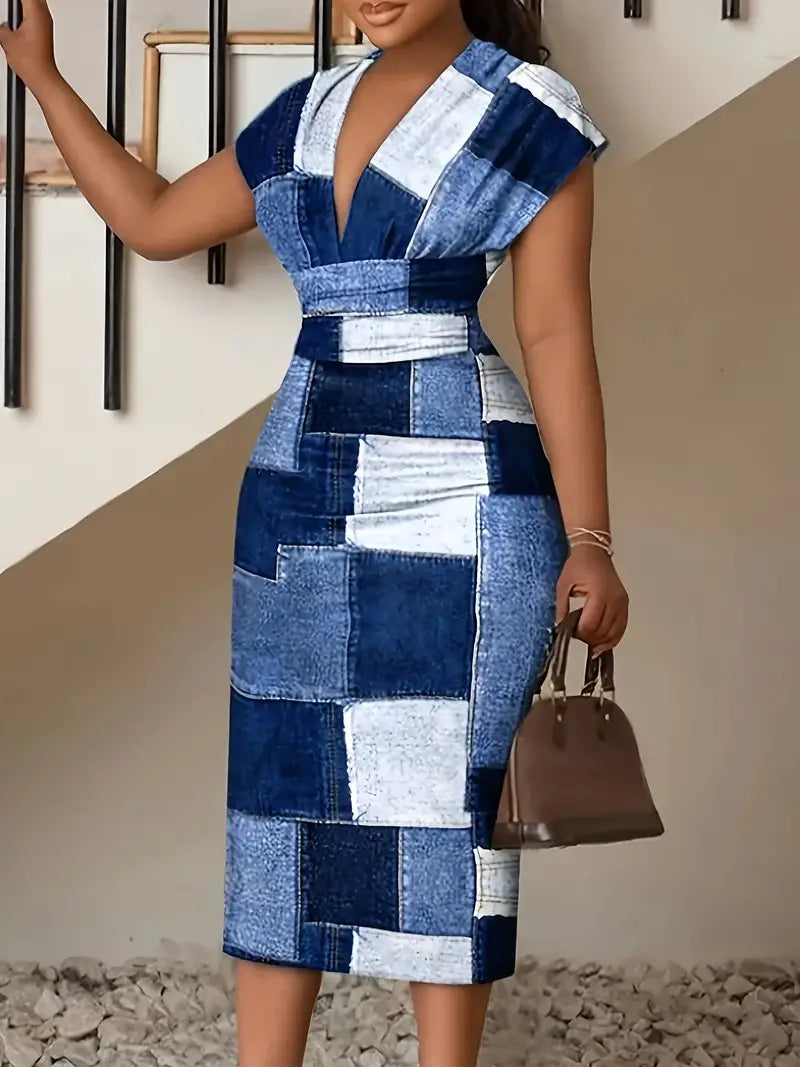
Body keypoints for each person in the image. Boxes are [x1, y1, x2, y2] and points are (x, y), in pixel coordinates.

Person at [1, 0, 629, 1064]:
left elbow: (555, 328)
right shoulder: (307, 112)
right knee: (279, 805)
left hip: (467, 500)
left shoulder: (529, 108)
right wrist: (44, 78)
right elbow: (154, 220)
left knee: (452, 815)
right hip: (301, 494)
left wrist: (592, 538)